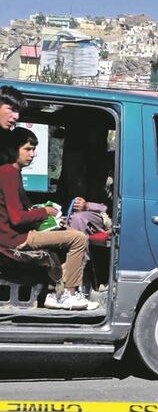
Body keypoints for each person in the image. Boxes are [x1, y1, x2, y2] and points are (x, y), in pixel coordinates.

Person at [0, 127, 97, 310]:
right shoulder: (8, 173)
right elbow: (17, 218)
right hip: (14, 238)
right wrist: (46, 212)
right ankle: (68, 294)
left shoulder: (12, 172)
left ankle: (57, 292)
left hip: (18, 233)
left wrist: (49, 221)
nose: (33, 154)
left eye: (34, 149)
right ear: (14, 149)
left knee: (68, 232)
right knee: (79, 238)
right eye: (28, 149)